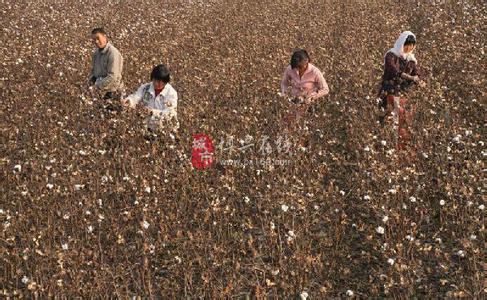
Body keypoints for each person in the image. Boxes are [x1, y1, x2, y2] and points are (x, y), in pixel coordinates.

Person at [378, 31, 425, 118]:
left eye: (412, 46)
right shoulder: (391, 55)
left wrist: (419, 80)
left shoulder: (411, 60)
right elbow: (393, 70)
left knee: (400, 119)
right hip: (389, 90)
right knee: (387, 117)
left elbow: (417, 73)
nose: (409, 48)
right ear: (402, 44)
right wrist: (410, 77)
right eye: (407, 45)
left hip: (402, 92)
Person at [121, 64, 179, 131]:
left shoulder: (171, 93)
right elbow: (136, 96)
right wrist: (129, 101)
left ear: (165, 82)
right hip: (148, 126)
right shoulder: (146, 88)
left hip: (165, 129)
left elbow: (169, 113)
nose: (156, 84)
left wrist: (152, 112)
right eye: (155, 80)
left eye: (159, 82)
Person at [87, 27, 125, 100]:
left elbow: (113, 77)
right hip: (100, 92)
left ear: (105, 36)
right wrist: (90, 82)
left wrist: (97, 87)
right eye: (94, 39)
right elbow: (94, 72)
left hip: (113, 92)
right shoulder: (96, 54)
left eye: (98, 38)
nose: (96, 41)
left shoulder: (113, 53)